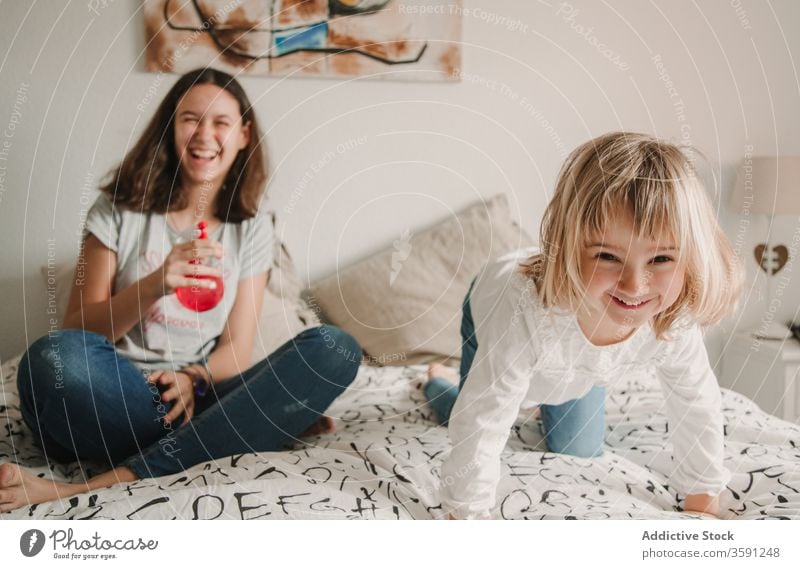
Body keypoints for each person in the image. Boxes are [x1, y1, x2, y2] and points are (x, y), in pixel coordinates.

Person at [0, 68, 361, 512]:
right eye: (190, 119)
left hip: (199, 394)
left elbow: (236, 348)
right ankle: (244, 426)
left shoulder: (251, 228)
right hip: (119, 395)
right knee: (53, 358)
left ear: (243, 134)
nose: (204, 134)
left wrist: (194, 378)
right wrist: (154, 284)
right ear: (170, 127)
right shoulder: (117, 210)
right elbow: (79, 327)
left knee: (335, 348)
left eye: (221, 122)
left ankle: (91, 485)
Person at [423, 132, 742, 520]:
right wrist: (466, 513)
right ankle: (434, 380)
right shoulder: (524, 311)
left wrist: (704, 497)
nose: (634, 286)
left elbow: (697, 402)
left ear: (692, 257)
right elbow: (482, 419)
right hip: (490, 306)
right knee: (471, 403)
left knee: (578, 446)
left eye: (660, 259)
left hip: (574, 359)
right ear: (569, 248)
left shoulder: (671, 315)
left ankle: (540, 399)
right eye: (607, 255)